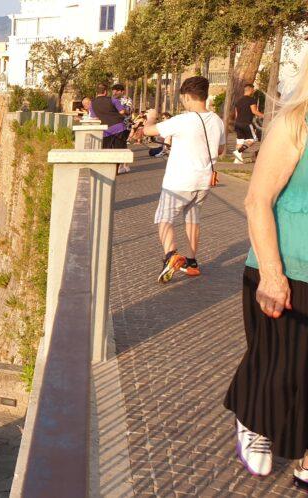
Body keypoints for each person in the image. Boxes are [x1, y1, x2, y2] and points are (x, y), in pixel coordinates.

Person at [223, 53, 308, 488]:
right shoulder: (295, 123)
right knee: (282, 364)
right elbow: (257, 200)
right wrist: (273, 276)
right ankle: (255, 419)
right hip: (287, 266)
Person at [140, 76, 225, 283]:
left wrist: (150, 118)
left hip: (178, 182)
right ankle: (192, 262)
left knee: (164, 219)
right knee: (193, 220)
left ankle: (171, 255)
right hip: (203, 182)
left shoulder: (182, 120)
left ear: (187, 97)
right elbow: (221, 150)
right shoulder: (218, 121)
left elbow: (147, 131)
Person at [91, 83, 131, 172]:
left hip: (105, 130)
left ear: (97, 92)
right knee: (118, 150)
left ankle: (107, 169)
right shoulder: (113, 100)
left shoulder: (92, 103)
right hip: (119, 128)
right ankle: (115, 170)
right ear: (105, 92)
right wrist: (127, 113)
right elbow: (121, 111)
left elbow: (94, 118)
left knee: (106, 150)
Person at [233, 84, 266, 163]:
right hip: (246, 123)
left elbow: (236, 114)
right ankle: (238, 152)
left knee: (240, 141)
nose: (253, 91)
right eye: (253, 89)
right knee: (252, 139)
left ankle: (237, 160)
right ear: (250, 90)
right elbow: (254, 111)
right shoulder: (251, 100)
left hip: (237, 123)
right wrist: (264, 116)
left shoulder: (238, 101)